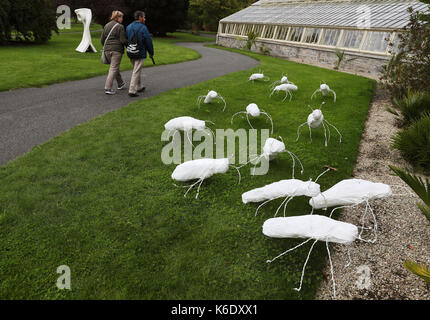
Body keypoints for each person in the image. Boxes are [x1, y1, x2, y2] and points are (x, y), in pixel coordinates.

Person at [126, 11, 154, 98]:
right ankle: (132, 90)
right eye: (144, 17)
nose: (145, 19)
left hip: (131, 51)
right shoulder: (143, 28)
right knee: (136, 71)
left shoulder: (128, 27)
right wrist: (151, 52)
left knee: (136, 69)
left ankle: (139, 86)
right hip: (140, 52)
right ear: (140, 17)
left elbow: (126, 39)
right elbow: (148, 41)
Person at [101, 11, 128, 95]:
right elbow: (123, 40)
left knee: (114, 67)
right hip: (116, 50)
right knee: (113, 68)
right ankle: (108, 88)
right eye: (121, 17)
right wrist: (129, 46)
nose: (122, 19)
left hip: (107, 50)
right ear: (117, 17)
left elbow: (102, 39)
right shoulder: (120, 26)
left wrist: (107, 46)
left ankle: (121, 83)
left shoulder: (106, 25)